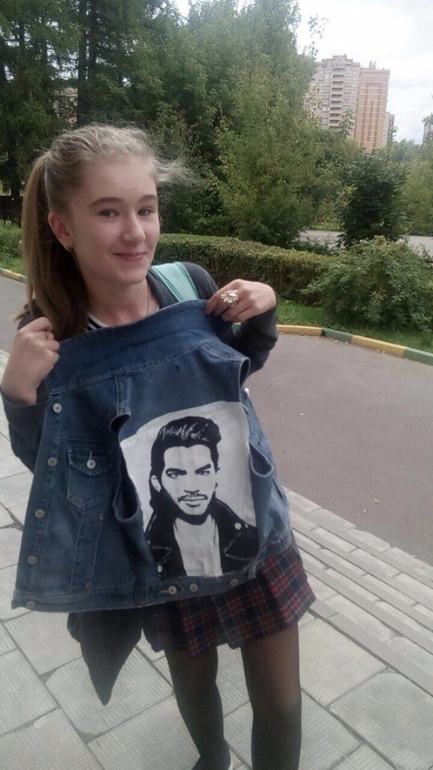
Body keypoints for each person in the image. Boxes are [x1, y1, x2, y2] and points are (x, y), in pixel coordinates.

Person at [0, 124, 315, 770]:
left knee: (282, 705)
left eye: (145, 209)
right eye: (107, 212)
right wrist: (18, 393)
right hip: (161, 550)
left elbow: (228, 380)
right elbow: (51, 468)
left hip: (250, 522)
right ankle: (212, 761)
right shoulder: (53, 334)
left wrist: (262, 314)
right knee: (195, 688)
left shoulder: (187, 286)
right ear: (62, 228)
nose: (135, 232)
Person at [147, 415, 259, 578]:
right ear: (157, 483)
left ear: (216, 475)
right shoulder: (145, 554)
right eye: (176, 474)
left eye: (203, 472)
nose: (192, 488)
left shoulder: (249, 537)